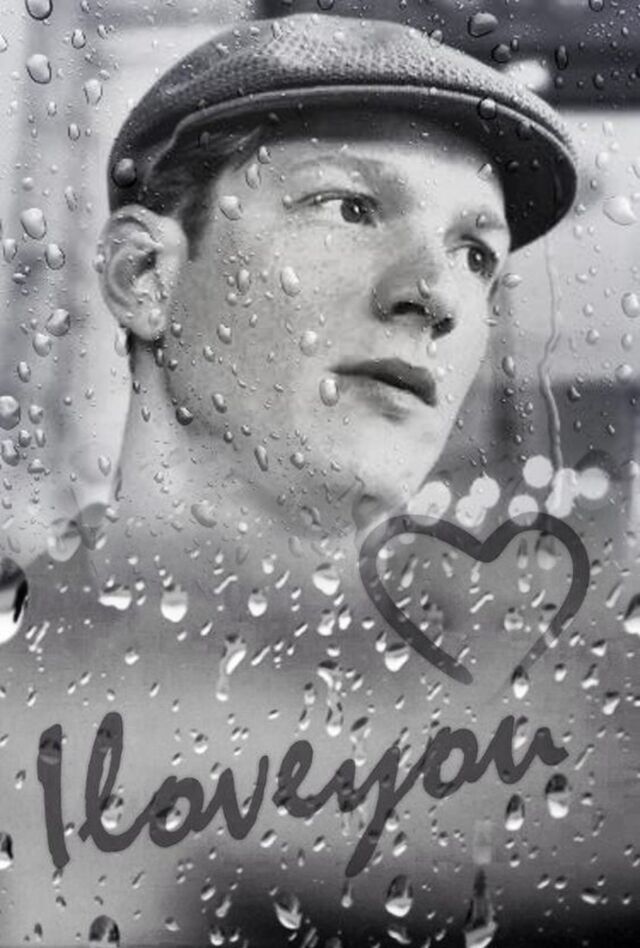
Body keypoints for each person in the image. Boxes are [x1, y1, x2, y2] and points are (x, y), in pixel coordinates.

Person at [1, 13, 637, 948]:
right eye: (349, 207)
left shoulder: (555, 712)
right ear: (144, 274)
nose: (436, 295)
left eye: (477, 254)